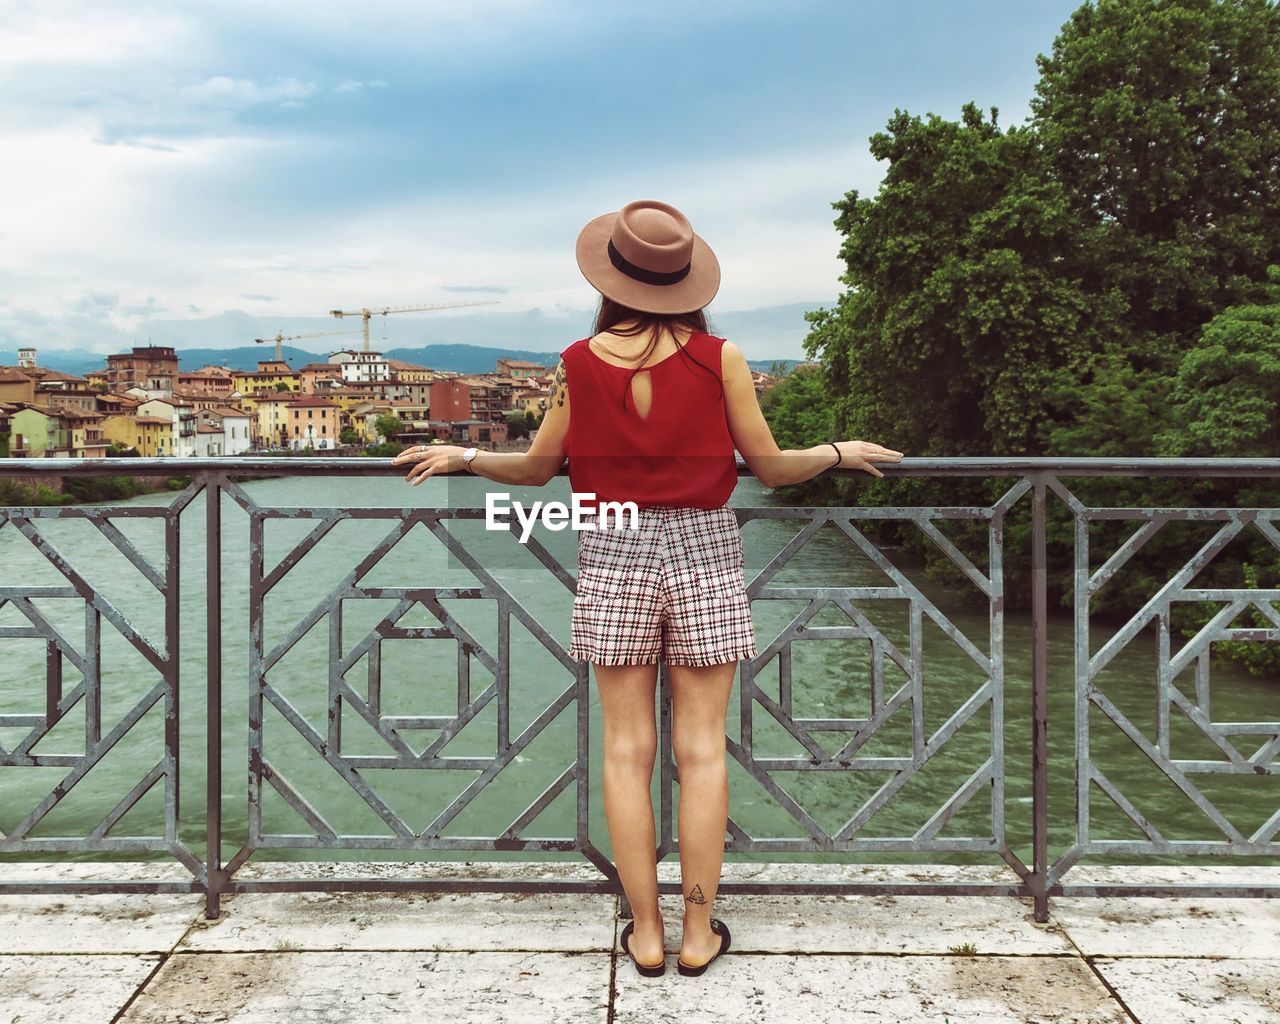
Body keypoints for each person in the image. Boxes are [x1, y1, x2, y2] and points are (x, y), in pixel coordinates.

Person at [391, 199, 903, 977]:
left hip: (614, 543)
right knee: (701, 751)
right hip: (702, 548)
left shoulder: (574, 362)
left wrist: (463, 459)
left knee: (626, 752)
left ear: (611, 276)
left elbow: (534, 469)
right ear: (686, 281)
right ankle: (701, 934)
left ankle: (647, 934)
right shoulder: (721, 358)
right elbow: (768, 467)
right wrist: (836, 449)